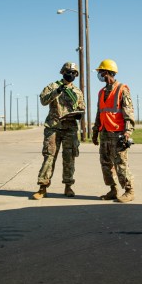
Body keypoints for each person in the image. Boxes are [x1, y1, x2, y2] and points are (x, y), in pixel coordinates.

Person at [32, 62, 85, 200]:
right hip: (54, 127)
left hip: (70, 128)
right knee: (49, 157)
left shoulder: (78, 92)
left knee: (69, 158)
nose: (71, 74)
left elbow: (82, 107)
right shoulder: (53, 86)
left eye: (74, 73)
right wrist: (57, 91)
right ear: (62, 72)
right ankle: (42, 188)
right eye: (69, 71)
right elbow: (43, 100)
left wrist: (79, 114)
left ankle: (68, 186)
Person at [92, 59, 136, 203]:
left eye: (101, 72)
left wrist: (127, 132)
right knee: (105, 164)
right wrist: (95, 131)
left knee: (121, 164)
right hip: (104, 133)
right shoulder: (101, 92)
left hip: (118, 134)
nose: (99, 75)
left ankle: (129, 191)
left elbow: (128, 113)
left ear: (107, 72)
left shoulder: (122, 89)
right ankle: (112, 190)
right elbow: (100, 113)